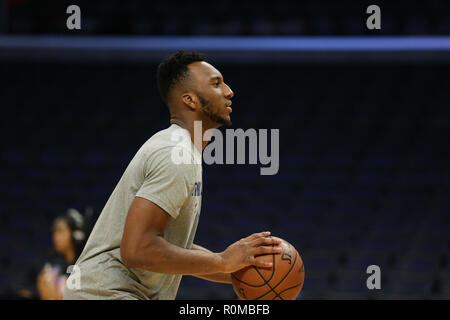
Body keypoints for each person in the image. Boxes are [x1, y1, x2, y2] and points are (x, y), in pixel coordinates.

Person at [64, 51, 282, 300]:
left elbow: (171, 248)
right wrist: (221, 261)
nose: (229, 91)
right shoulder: (174, 153)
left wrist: (234, 270)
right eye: (216, 83)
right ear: (190, 100)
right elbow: (137, 249)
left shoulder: (181, 150)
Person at [37, 208, 90, 300]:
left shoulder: (86, 267)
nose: (55, 237)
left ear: (75, 234)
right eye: (54, 232)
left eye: (60, 231)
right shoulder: (53, 267)